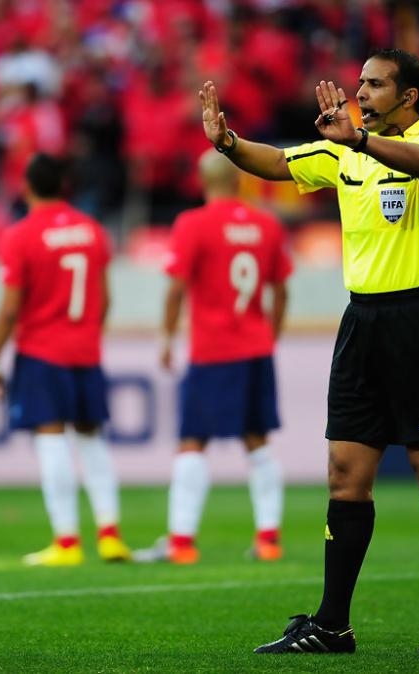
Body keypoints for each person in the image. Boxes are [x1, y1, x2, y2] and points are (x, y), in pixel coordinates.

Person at [199, 48, 419, 655]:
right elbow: (278, 162)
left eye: (375, 85)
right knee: (345, 474)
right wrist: (228, 143)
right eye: (361, 83)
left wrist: (359, 140)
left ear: (408, 96)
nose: (362, 93)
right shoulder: (343, 151)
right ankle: (332, 625)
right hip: (362, 322)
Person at [133, 150, 292, 565]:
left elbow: (175, 289)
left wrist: (167, 338)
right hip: (255, 347)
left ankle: (182, 542)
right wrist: (270, 336)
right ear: (239, 181)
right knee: (257, 439)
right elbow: (281, 291)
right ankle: (268, 539)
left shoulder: (193, 224)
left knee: (193, 441)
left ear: (203, 182)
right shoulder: (267, 224)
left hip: (212, 350)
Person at [0, 153, 131, 568]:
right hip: (85, 351)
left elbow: (10, 308)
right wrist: (87, 336)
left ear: (27, 186)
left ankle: (67, 541)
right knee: (92, 439)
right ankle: (110, 535)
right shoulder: (91, 230)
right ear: (64, 186)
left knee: (51, 441)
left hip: (42, 352)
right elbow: (105, 298)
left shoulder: (21, 235)